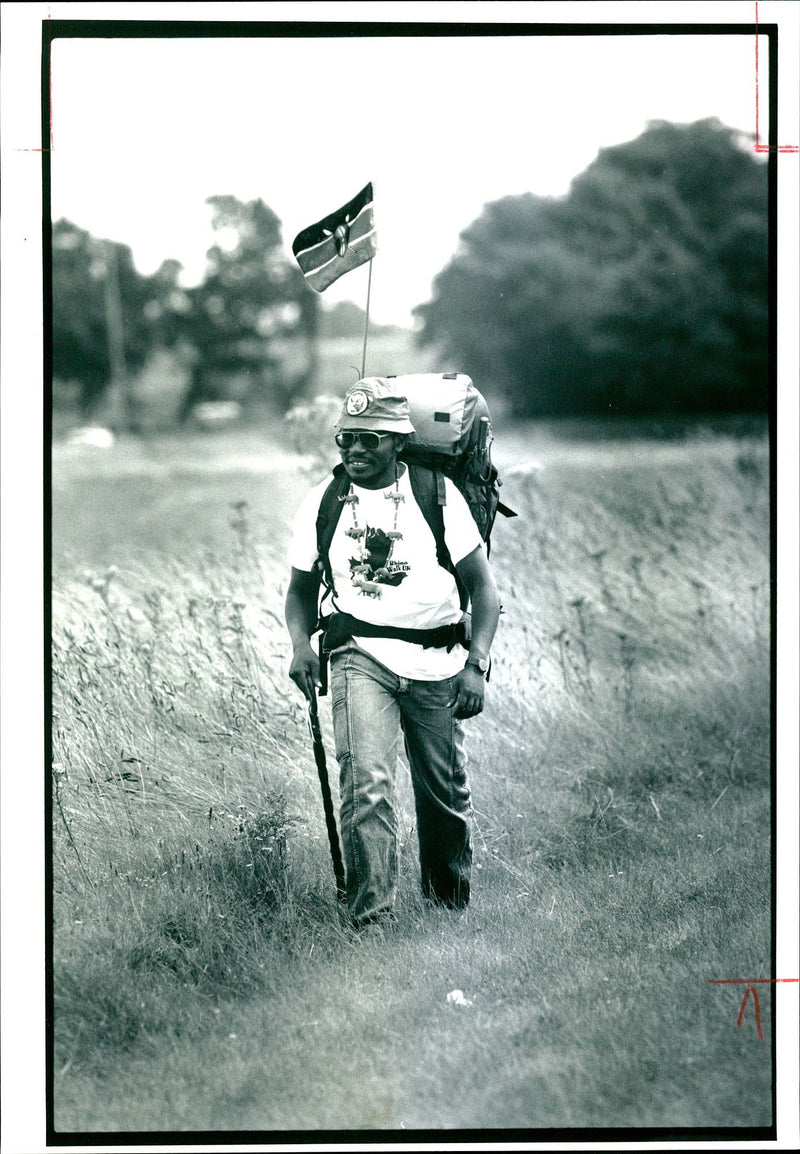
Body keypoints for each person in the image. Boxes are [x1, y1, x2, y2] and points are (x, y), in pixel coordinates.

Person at [284, 377, 501, 929]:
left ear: (398, 442)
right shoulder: (324, 500)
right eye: (346, 439)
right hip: (359, 655)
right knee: (366, 783)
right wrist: (299, 646)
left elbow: (483, 590)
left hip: (438, 661)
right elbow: (300, 590)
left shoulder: (437, 494)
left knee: (442, 792)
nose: (355, 450)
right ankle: (370, 919)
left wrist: (477, 664)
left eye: (368, 440)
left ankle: (448, 909)